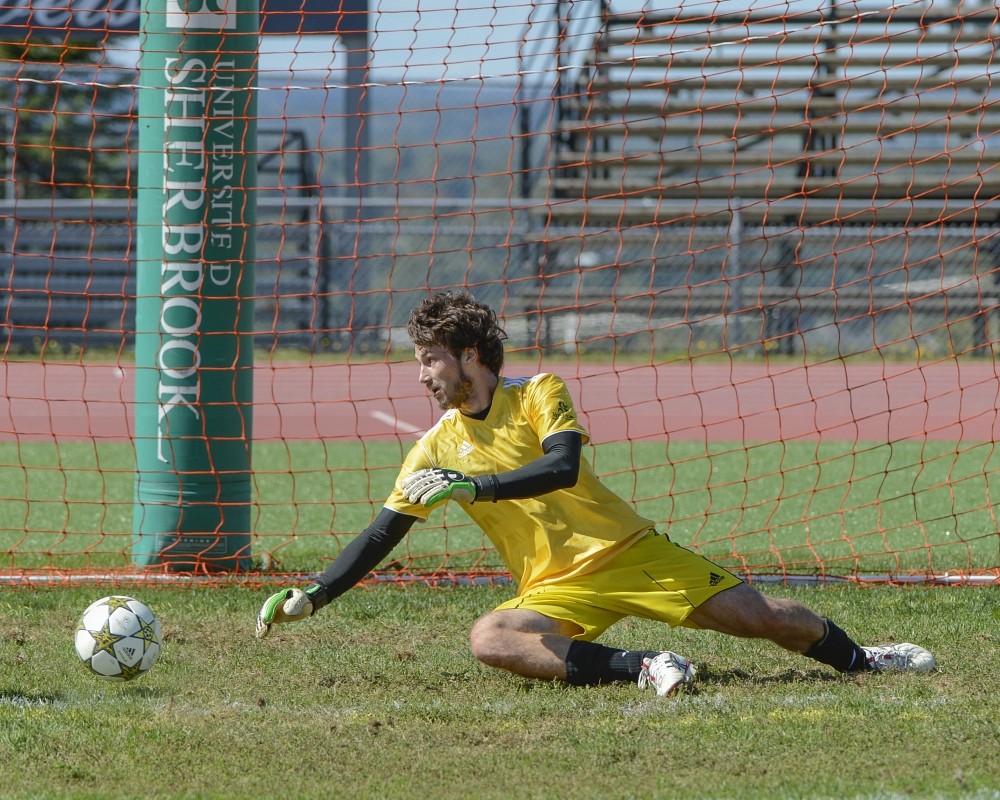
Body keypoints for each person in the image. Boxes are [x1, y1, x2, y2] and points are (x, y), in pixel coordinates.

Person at [256, 290, 935, 695]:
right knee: (491, 637)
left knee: (767, 619)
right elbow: (383, 531)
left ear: (469, 355)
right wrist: (314, 594)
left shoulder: (537, 393)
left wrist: (474, 486)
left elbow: (562, 467)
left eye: (431, 358)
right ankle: (644, 667)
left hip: (630, 552)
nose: (421, 375)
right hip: (556, 587)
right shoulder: (433, 447)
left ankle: (863, 658)